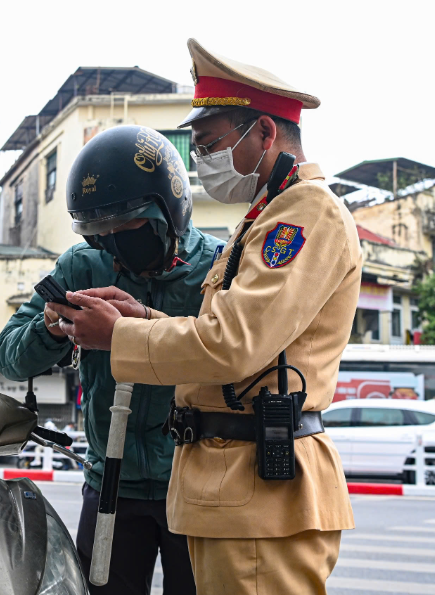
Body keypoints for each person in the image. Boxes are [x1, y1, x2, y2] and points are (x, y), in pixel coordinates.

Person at [50, 39, 362, 594]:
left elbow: (232, 346)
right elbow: (241, 337)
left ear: (265, 133)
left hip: (259, 488)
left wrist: (120, 334)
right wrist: (141, 317)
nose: (201, 161)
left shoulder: (304, 214)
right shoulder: (265, 216)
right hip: (233, 487)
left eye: (210, 143)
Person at [0, 125, 223, 595]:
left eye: (126, 228)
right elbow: (9, 356)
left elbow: (232, 360)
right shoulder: (82, 264)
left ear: (168, 211)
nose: (114, 244)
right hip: (109, 483)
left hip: (197, 484)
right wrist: (54, 328)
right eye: (101, 233)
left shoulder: (218, 270)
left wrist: (134, 330)